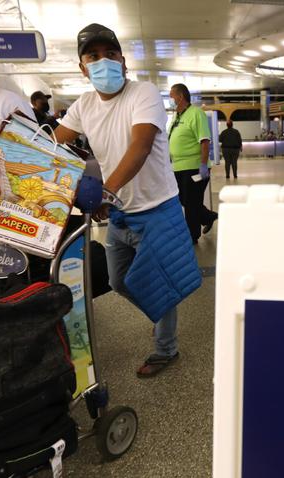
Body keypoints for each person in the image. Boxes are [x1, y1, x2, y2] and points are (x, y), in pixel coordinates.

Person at [54, 23, 200, 377]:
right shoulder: (84, 104)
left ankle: (166, 348)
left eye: (110, 54)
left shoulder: (143, 93)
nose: (102, 62)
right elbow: (54, 142)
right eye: (93, 56)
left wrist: (105, 190)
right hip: (120, 213)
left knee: (156, 279)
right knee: (119, 280)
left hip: (157, 210)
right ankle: (160, 311)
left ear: (122, 60)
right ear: (82, 67)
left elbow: (141, 145)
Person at [169, 82, 218, 243]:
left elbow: (204, 141)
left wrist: (203, 164)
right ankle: (209, 216)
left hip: (194, 167)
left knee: (190, 203)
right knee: (184, 200)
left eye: (172, 96)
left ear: (180, 96)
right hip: (178, 167)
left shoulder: (196, 113)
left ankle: (192, 236)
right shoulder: (177, 116)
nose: (170, 99)